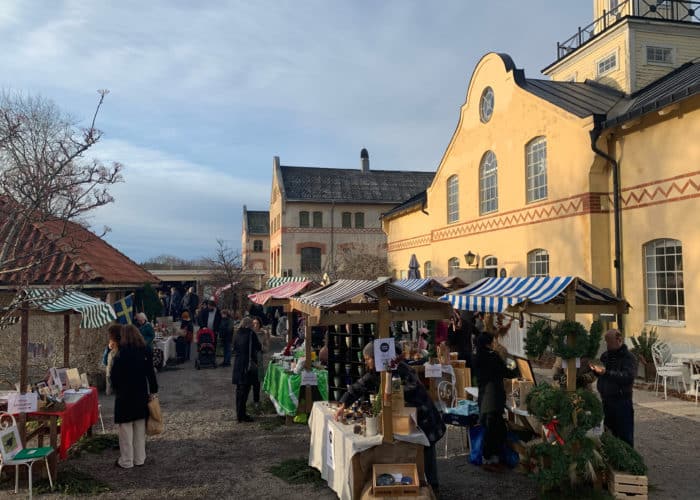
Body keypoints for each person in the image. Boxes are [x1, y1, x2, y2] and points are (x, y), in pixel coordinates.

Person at [334, 341, 445, 493]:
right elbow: (360, 385)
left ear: (377, 357)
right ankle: (419, 480)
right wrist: (343, 404)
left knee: (426, 448)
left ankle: (433, 486)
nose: (366, 362)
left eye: (368, 359)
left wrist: (390, 392)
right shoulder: (379, 371)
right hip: (409, 418)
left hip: (423, 416)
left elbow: (409, 389)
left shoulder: (400, 369)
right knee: (418, 449)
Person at [110, 324, 159, 469]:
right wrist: (153, 391)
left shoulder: (120, 354)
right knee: (139, 428)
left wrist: (116, 389)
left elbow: (114, 378)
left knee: (126, 430)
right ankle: (139, 458)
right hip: (141, 393)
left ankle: (126, 460)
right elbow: (151, 373)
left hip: (125, 396)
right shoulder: (146, 351)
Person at [473, 332, 519, 471]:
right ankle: (492, 460)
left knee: (489, 427)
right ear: (489, 343)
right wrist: (514, 365)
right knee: (495, 429)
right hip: (494, 397)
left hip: (483, 396)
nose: (495, 343)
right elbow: (509, 373)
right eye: (494, 341)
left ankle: (489, 458)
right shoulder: (493, 357)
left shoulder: (476, 356)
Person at [590, 329, 637, 447]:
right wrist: (594, 369)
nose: (607, 344)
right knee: (608, 433)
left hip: (622, 402)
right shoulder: (605, 356)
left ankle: (628, 460)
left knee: (624, 436)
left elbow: (627, 377)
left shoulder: (628, 357)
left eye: (609, 342)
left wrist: (606, 372)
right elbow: (601, 372)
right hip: (606, 400)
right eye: (606, 342)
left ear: (619, 340)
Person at [231, 317, 262, 423]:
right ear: (250, 325)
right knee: (245, 390)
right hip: (247, 365)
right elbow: (258, 347)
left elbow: (234, 348)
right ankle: (242, 415)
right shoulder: (251, 334)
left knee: (239, 391)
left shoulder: (237, 333)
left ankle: (239, 414)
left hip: (238, 364)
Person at [104, 324, 121, 396]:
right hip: (112, 354)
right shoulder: (113, 340)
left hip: (114, 354)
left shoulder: (117, 340)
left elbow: (109, 348)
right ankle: (109, 390)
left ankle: (109, 391)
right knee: (109, 373)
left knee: (109, 374)